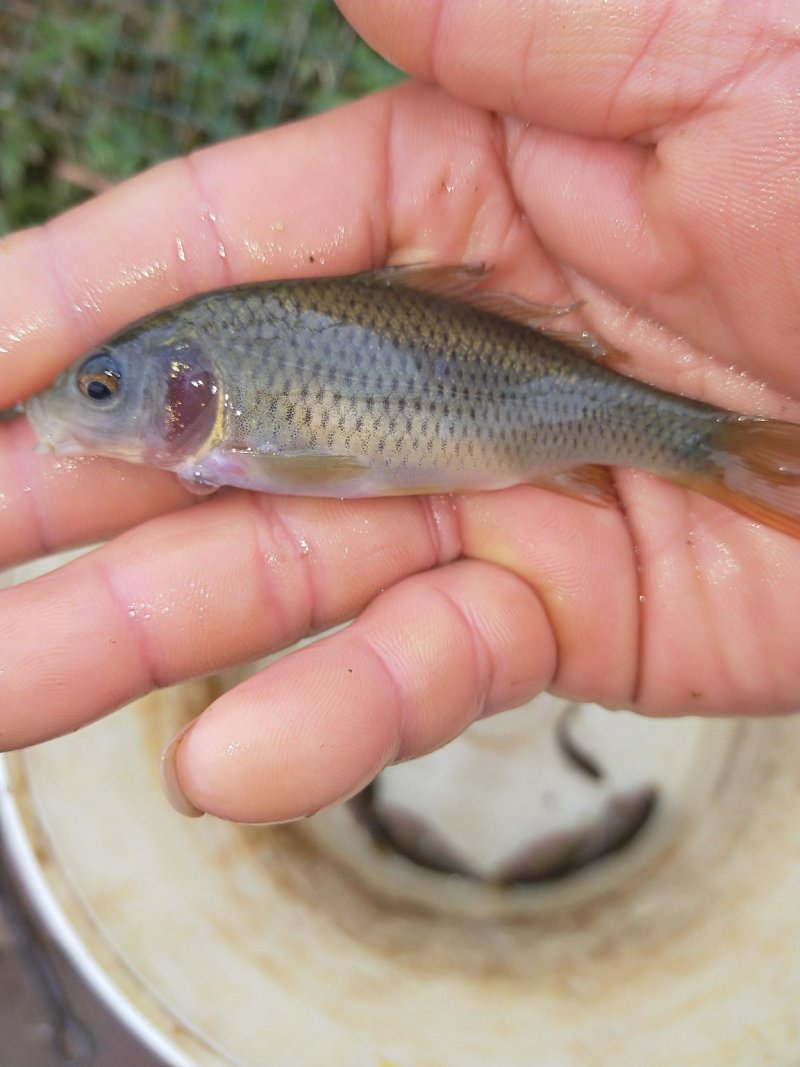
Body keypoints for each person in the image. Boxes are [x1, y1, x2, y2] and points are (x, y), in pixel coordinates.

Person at [1, 0, 799, 822]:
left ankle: (710, 447)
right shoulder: (223, 363)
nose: (92, 404)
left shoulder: (232, 388)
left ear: (187, 383)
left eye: (103, 389)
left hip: (536, 405)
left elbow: (329, 466)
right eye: (101, 390)